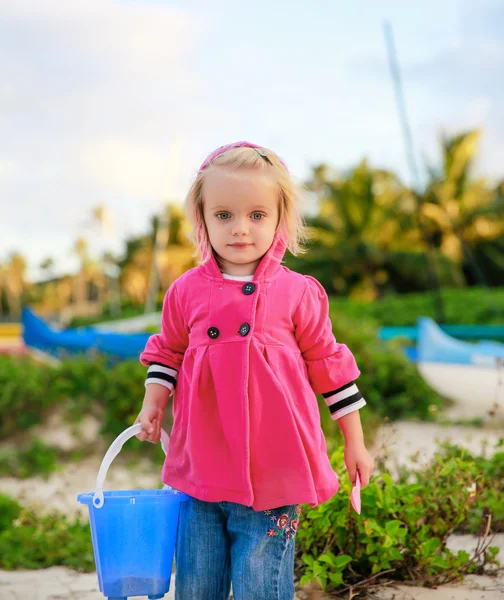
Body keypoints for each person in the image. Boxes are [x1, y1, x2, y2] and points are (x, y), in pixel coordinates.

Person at [135, 141, 374, 600]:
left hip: (274, 467)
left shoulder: (298, 292)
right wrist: (153, 404)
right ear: (202, 218)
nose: (240, 229)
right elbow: (167, 353)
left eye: (257, 216)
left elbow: (331, 369)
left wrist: (355, 442)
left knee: (259, 585)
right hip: (200, 467)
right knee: (196, 584)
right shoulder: (185, 292)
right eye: (224, 215)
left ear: (280, 219)